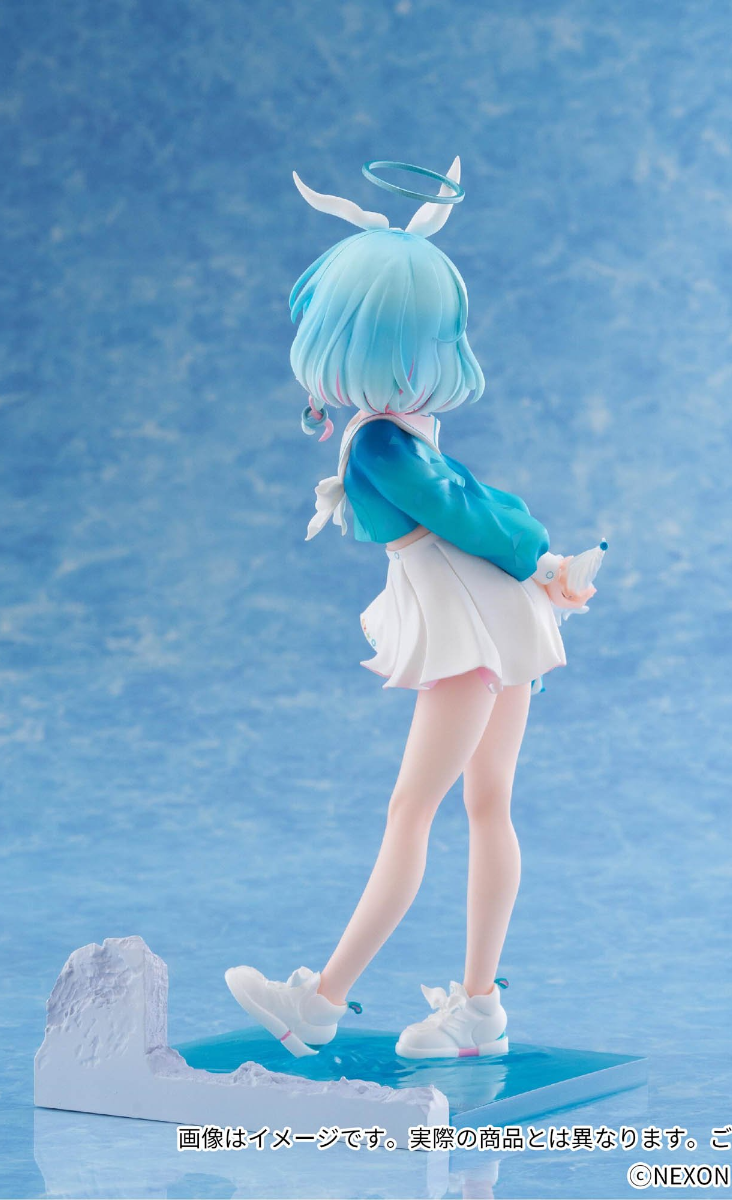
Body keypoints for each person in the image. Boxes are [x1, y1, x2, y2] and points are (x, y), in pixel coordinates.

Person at [225, 160, 596, 1060]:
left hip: (468, 628)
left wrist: (540, 555)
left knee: (414, 811)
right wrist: (542, 560)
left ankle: (319, 1003)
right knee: (487, 803)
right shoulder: (404, 432)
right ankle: (478, 1009)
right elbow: (474, 501)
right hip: (497, 616)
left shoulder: (384, 446)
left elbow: (464, 506)